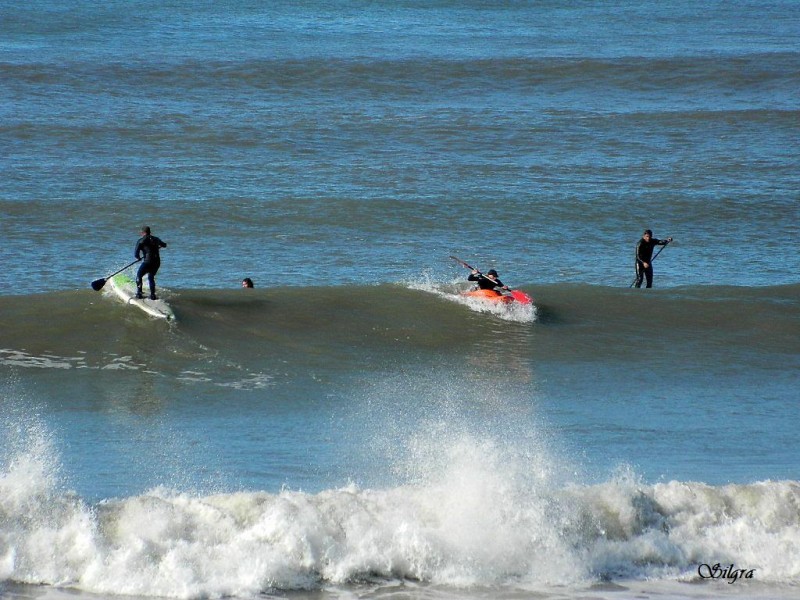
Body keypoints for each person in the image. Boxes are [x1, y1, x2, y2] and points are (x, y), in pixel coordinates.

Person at [134, 225, 167, 299]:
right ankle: (153, 295)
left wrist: (138, 258)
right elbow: (164, 245)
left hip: (147, 262)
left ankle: (139, 293)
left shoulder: (140, 240)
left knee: (139, 275)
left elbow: (136, 253)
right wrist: (159, 246)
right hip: (156, 262)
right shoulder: (156, 239)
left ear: (142, 233)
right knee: (151, 277)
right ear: (150, 232)